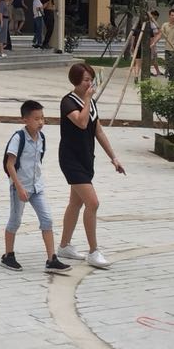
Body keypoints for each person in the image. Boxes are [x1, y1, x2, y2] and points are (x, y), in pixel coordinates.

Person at [57, 62, 125, 269]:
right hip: (71, 159)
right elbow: (81, 122)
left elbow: (98, 131)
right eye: (86, 80)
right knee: (93, 203)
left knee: (75, 203)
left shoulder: (91, 103)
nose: (90, 84)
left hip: (87, 158)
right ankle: (94, 251)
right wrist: (87, 99)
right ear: (76, 81)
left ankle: (64, 246)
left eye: (91, 80)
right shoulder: (68, 102)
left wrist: (113, 158)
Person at [1, 100, 72, 275]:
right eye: (36, 118)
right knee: (15, 221)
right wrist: (19, 187)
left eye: (42, 118)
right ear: (25, 120)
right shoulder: (18, 138)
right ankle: (8, 256)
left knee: (47, 220)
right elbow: (10, 164)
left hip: (37, 187)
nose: (41, 122)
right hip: (20, 187)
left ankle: (51, 260)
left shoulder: (41, 138)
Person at [147, 9, 162, 75]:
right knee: (150, 58)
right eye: (155, 17)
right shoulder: (149, 24)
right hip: (150, 43)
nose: (156, 19)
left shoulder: (154, 24)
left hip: (153, 43)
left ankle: (158, 71)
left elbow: (158, 31)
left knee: (154, 58)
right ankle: (148, 71)